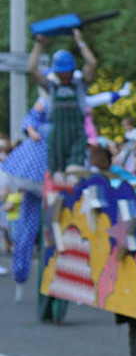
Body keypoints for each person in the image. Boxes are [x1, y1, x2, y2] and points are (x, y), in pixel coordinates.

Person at [28, 29, 97, 175]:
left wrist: (80, 41)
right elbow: (32, 69)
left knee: (74, 173)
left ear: (72, 70)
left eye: (67, 72)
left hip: (76, 135)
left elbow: (92, 63)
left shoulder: (80, 85)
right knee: (56, 175)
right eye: (61, 73)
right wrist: (39, 45)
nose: (64, 76)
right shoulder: (51, 87)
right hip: (57, 136)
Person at [0, 103, 49, 301]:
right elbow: (30, 118)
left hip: (56, 166)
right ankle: (21, 274)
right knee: (27, 228)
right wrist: (31, 131)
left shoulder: (77, 97)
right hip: (35, 167)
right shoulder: (46, 98)